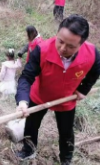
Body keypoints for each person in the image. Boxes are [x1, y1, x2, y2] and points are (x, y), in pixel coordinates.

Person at [15, 14, 100, 165]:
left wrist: (83, 89)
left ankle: (66, 159)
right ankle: (29, 150)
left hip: (66, 99)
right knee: (31, 126)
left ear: (82, 44)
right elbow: (26, 77)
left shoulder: (92, 54)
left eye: (71, 46)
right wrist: (22, 101)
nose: (62, 48)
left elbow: (95, 71)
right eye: (60, 41)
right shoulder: (42, 50)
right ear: (57, 33)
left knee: (66, 132)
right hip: (40, 95)